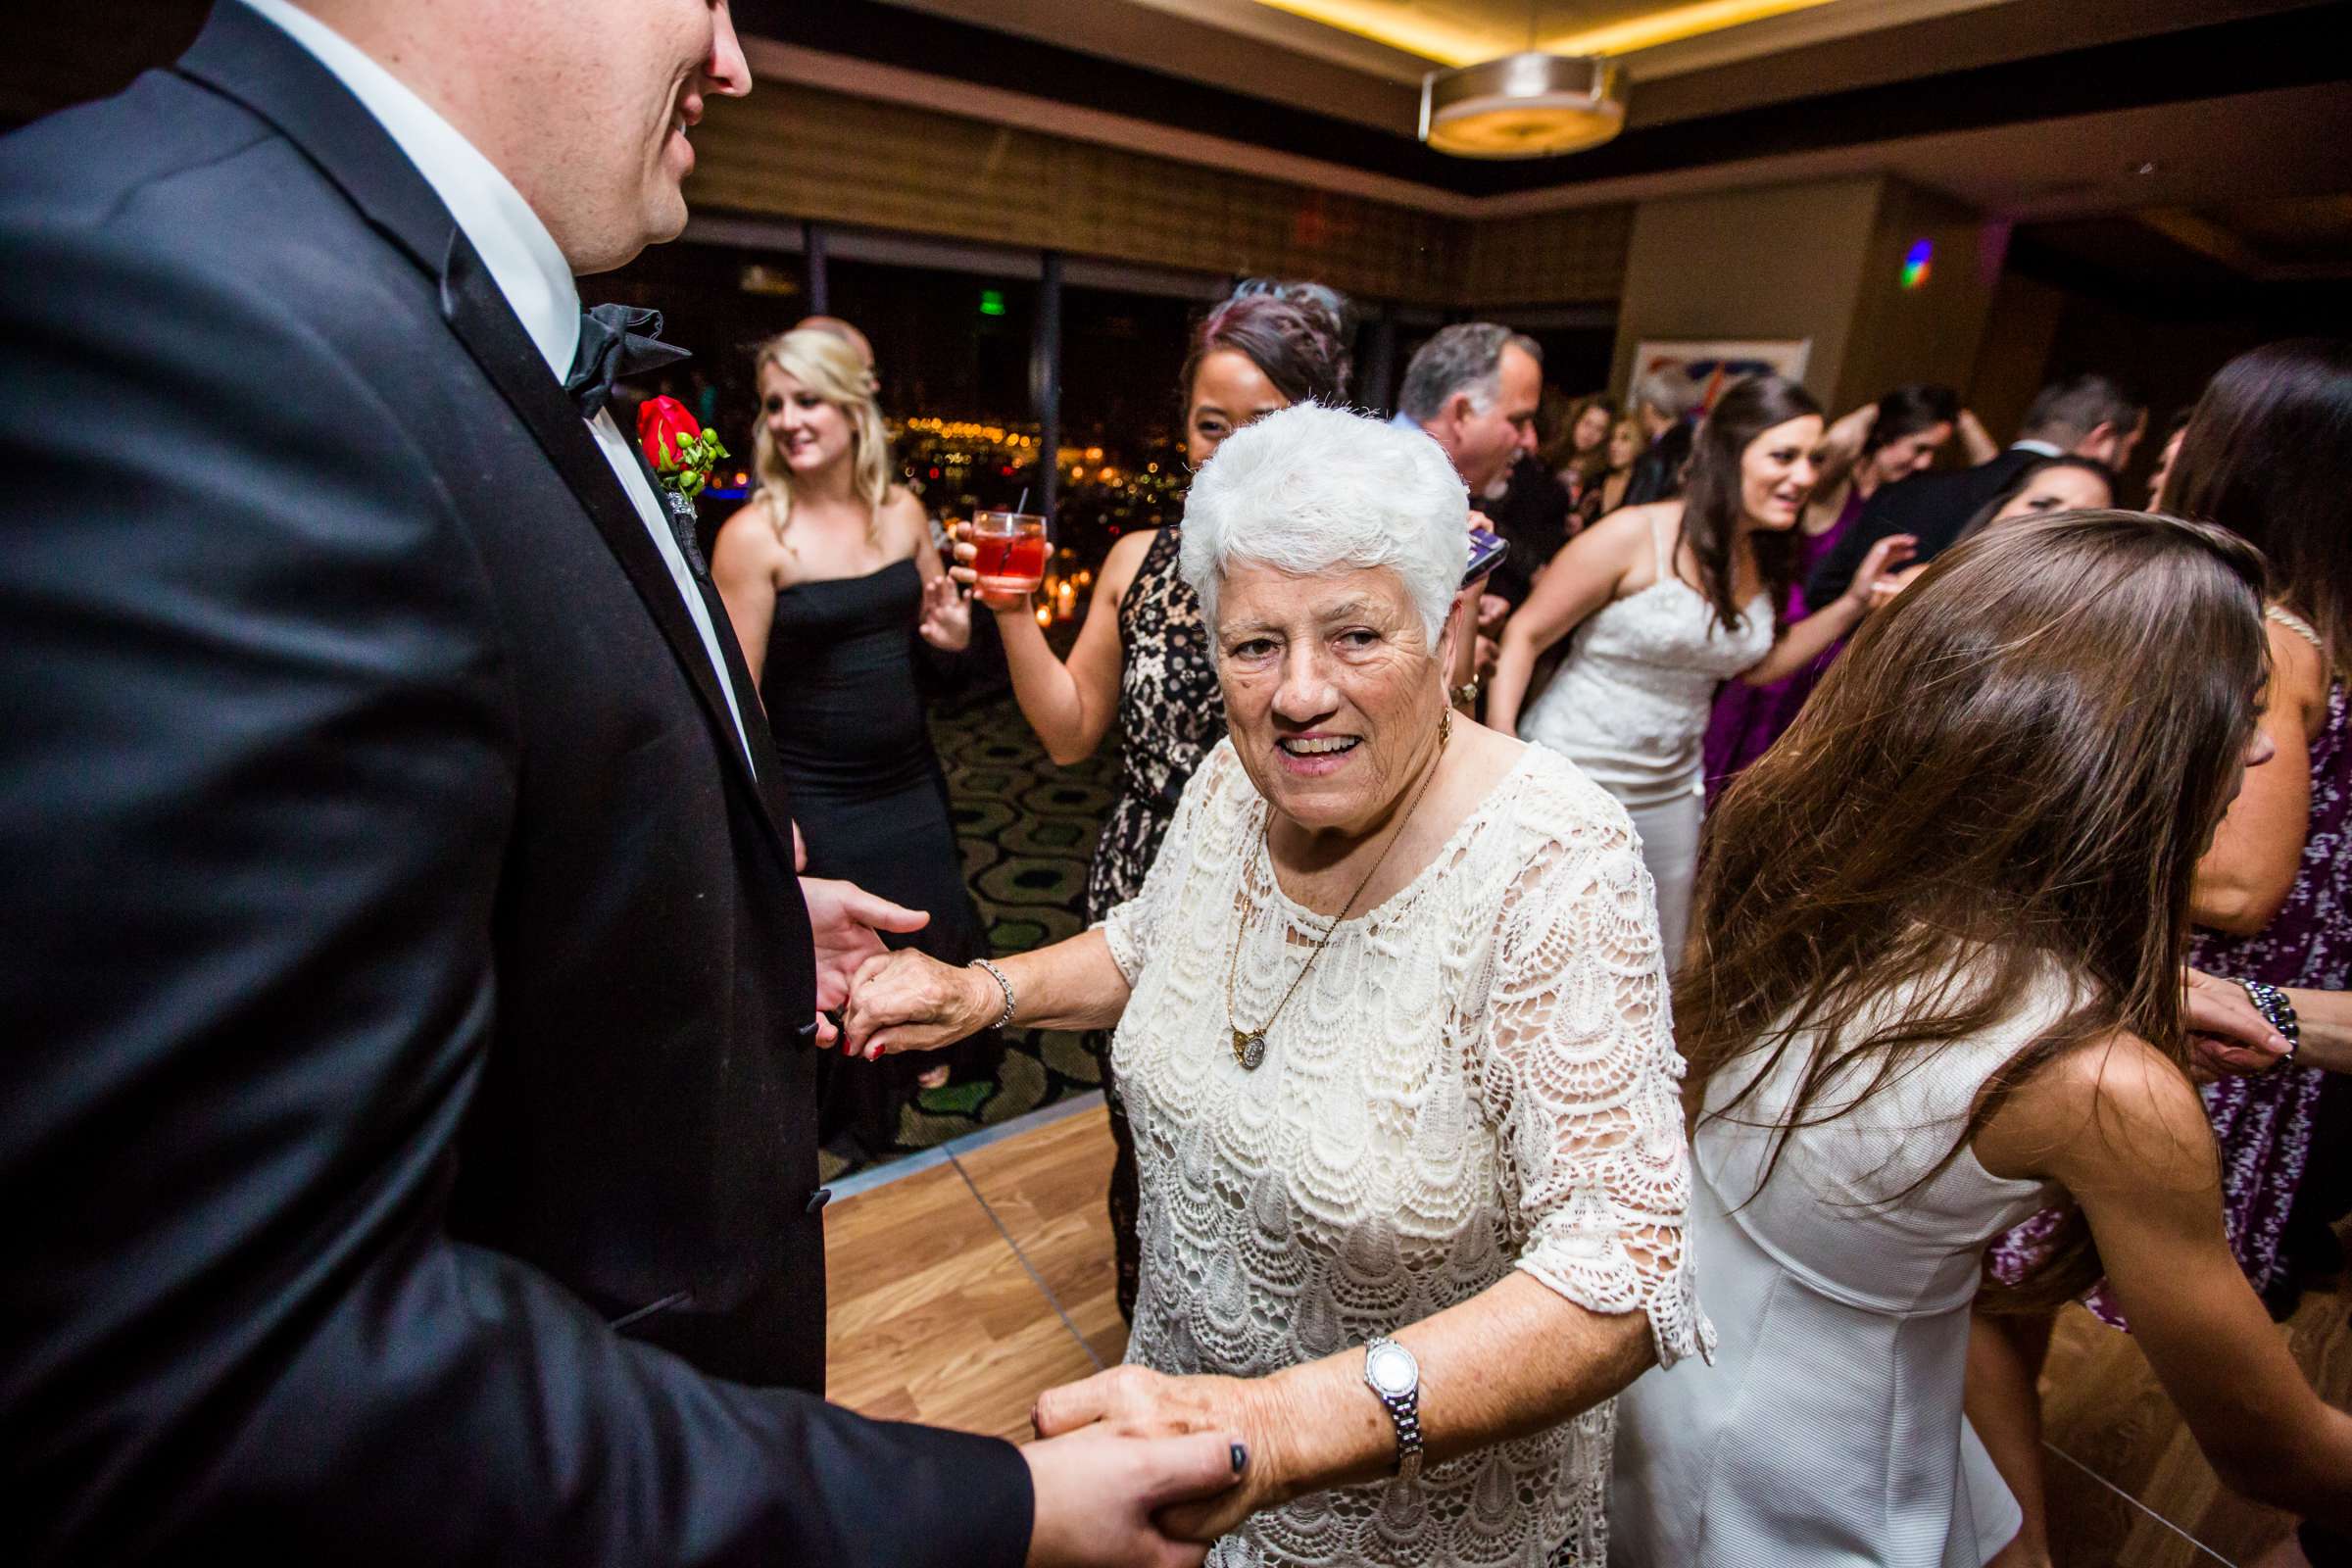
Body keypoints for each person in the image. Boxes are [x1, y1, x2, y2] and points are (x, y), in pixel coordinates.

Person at [0, 1, 1244, 1561]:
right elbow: (250, 1378)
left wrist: (735, 910)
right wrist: (994, 1512)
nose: (732, 58)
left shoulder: (388, 297)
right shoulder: (175, 307)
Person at [845, 404, 1709, 1567]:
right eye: (1255, 646)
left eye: (1355, 635)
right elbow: (1157, 947)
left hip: (1403, 1522)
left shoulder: (1556, 859)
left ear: (1448, 629)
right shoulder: (1226, 783)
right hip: (1193, 1465)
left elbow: (1626, 1262)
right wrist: (980, 993)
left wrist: (1275, 1425)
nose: (1299, 692)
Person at [1611, 510, 2352, 1567]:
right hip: (1812, 1464)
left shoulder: (1824, 875)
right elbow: (2275, 1454)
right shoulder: (2103, 1086)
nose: (2270, 744)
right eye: (2239, 709)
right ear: (2123, 741)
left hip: (1683, 1372)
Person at [1973, 340, 2352, 1567]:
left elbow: (2239, 881)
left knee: (1998, 1286)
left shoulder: (2264, 633)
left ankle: (2015, 1542)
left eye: (2194, 429)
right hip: (2211, 1015)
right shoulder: (2291, 625)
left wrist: (2023, 820)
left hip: (2181, 1012)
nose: (2165, 447)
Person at [953, 277, 1354, 1321]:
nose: (1226, 450)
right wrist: (1009, 614)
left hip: (1293, 895)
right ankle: (1158, 1352)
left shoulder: (1346, 576)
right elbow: (1071, 728)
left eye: (1259, 424)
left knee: (1271, 1167)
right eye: (1209, 424)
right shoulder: (1140, 558)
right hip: (1140, 890)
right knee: (1144, 1148)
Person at [1486, 376, 1916, 958]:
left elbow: (1758, 668)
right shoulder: (1633, 535)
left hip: (1670, 789)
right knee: (1543, 940)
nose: (1805, 477)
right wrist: (1506, 750)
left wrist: (1853, 604)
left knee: (1647, 951)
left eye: (1812, 460)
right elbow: (1525, 633)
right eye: (1784, 456)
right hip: (1572, 771)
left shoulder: (1760, 555)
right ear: (1728, 453)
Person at [711, 326, 993, 1153]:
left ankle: (926, 1043)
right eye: (775, 405)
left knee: (931, 911)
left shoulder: (903, 511)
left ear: (852, 407)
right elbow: (739, 697)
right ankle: (862, 1095)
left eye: (810, 400)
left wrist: (949, 638)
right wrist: (774, 813)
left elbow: (939, 648)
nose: (791, 419)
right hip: (818, 790)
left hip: (909, 774)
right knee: (856, 946)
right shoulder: (755, 537)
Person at [1701, 383, 1966, 798]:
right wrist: (1878, 409)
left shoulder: (1906, 498)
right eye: (1917, 447)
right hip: (1783, 621)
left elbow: (1995, 478)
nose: (1924, 463)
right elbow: (1828, 443)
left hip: (1821, 645)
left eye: (1933, 453)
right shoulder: (1825, 487)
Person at [1805, 372, 2143, 605]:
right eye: (2131, 448)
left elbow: (1821, 591)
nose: (2056, 516)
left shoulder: (1903, 493)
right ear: (2102, 437)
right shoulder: (2075, 515)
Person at [1866, 456, 2116, 609]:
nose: (2053, 524)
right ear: (1999, 509)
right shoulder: (1921, 585)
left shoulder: (2085, 626)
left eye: (2078, 519)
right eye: (2041, 505)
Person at [1577, 414, 1643, 528]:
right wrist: (1582, 514)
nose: (1614, 445)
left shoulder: (1643, 486)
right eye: (1612, 439)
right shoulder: (1596, 481)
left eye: (1624, 439)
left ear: (1638, 445)